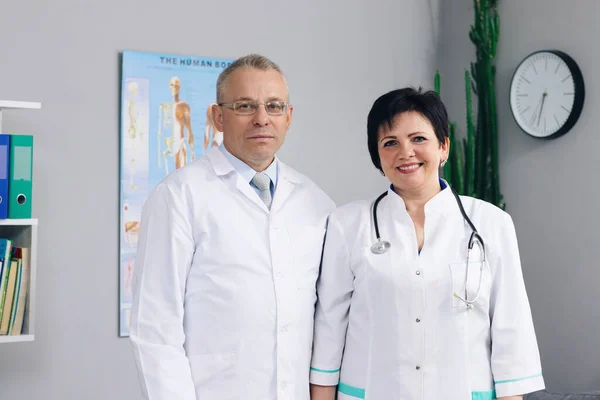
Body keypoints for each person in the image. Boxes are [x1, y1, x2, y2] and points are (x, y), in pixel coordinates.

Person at [309, 88, 545, 400]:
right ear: (377, 156)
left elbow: (510, 329)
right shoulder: (347, 224)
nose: (405, 152)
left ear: (443, 146)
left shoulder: (491, 224)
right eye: (390, 142)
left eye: (418, 139)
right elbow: (328, 330)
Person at [129, 54, 335, 400]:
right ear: (218, 116)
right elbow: (155, 332)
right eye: (244, 106)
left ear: (289, 116)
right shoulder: (179, 197)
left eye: (273, 106)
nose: (261, 119)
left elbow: (330, 322)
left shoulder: (317, 203)